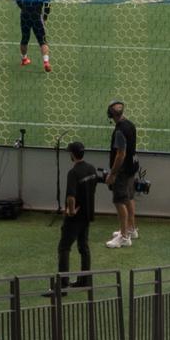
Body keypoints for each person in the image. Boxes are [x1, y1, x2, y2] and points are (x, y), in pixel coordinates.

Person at [58, 140, 101, 285]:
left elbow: (71, 196)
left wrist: (70, 211)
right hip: (87, 215)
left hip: (75, 217)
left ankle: (63, 284)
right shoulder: (91, 169)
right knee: (84, 247)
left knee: (64, 247)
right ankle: (85, 280)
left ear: (72, 154)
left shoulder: (73, 172)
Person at [104, 101, 139, 249]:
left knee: (119, 200)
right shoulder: (130, 124)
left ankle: (124, 236)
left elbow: (120, 154)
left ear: (110, 115)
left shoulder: (119, 131)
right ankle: (131, 229)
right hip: (132, 167)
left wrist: (112, 173)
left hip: (122, 171)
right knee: (129, 197)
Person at [16, 0, 54, 73]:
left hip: (24, 15)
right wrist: (45, 17)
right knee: (42, 41)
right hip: (36, 15)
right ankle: (46, 62)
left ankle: (24, 59)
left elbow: (18, 0)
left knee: (24, 38)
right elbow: (47, 5)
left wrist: (24, 9)